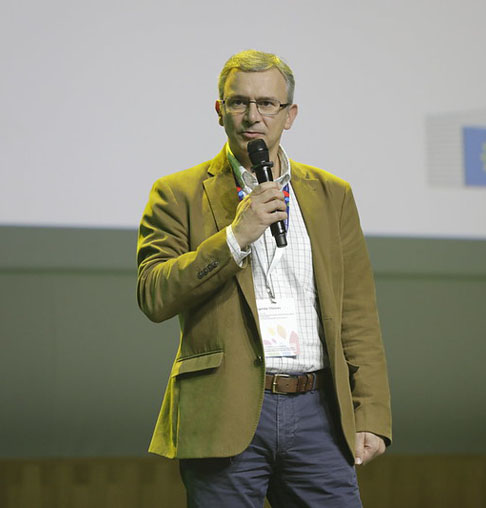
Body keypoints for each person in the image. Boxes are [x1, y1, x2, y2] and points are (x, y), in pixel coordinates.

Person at [136, 49, 391, 507]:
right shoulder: (176, 193)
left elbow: (357, 313)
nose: (252, 116)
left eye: (267, 104)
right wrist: (235, 237)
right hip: (225, 410)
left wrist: (370, 411)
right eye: (239, 102)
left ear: (289, 115)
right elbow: (154, 294)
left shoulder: (332, 195)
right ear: (220, 111)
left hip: (319, 412)